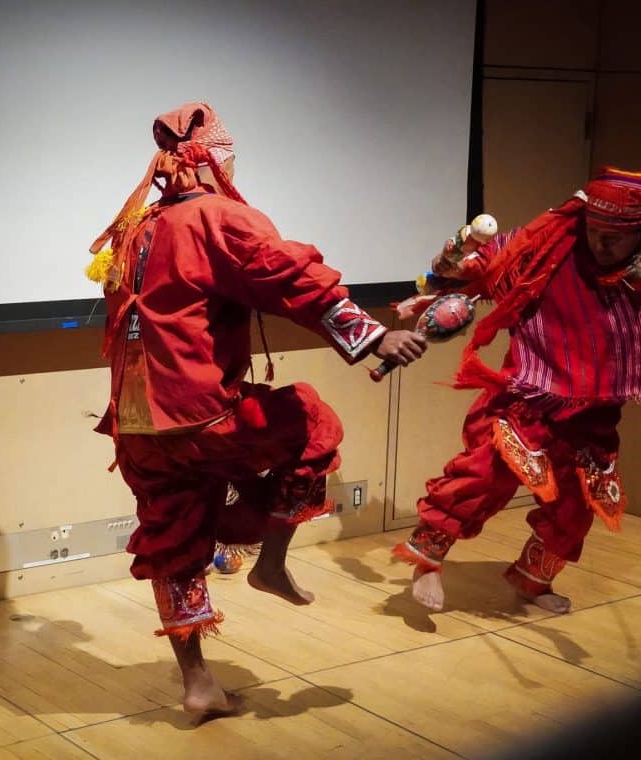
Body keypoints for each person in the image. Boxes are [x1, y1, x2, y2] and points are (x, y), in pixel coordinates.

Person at [86, 102, 427, 716]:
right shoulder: (221, 218)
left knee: (174, 539)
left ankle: (197, 684)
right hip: (199, 416)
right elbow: (288, 276)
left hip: (137, 426)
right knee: (311, 420)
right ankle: (269, 563)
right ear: (217, 160)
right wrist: (373, 336)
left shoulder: (136, 228)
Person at [393, 167, 641, 614]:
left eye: (615, 236)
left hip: (592, 411)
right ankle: (428, 563)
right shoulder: (548, 245)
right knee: (481, 478)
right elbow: (488, 263)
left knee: (576, 508)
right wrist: (452, 268)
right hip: (526, 397)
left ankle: (532, 581)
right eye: (594, 230)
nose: (601, 242)